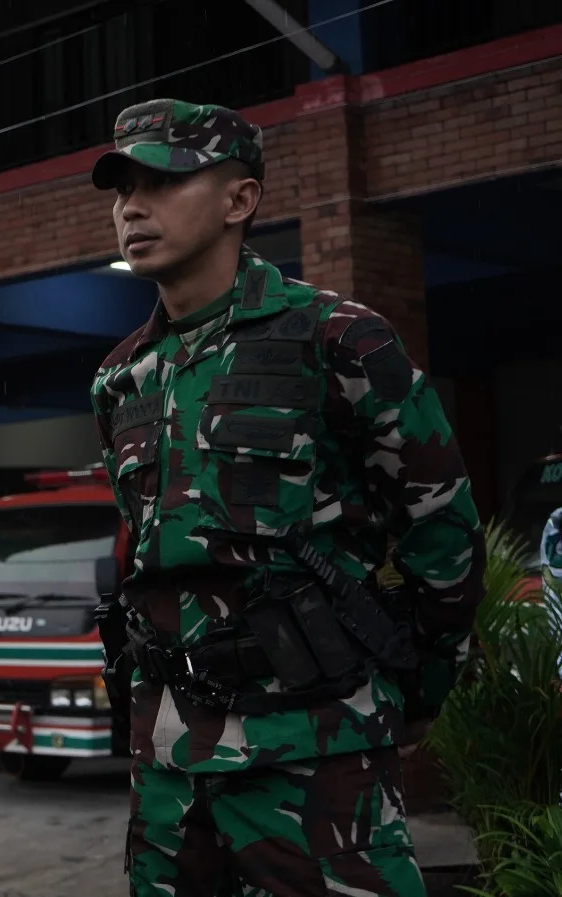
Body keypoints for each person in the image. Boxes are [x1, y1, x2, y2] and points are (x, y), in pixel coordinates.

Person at [87, 99, 485, 897]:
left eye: (162, 182)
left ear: (240, 199)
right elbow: (144, 551)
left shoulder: (337, 339)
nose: (133, 206)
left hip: (314, 749)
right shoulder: (120, 376)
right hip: (169, 762)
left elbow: (442, 529)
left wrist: (418, 689)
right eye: (123, 187)